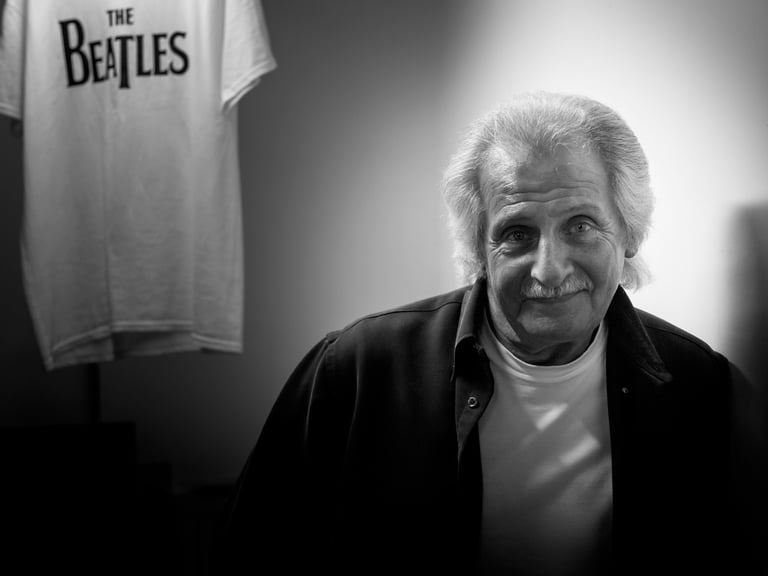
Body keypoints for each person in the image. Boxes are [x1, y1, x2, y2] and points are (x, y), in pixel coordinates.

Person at [216, 92, 765, 575]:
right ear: (478, 250)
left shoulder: (698, 386)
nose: (549, 269)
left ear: (628, 235)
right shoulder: (356, 369)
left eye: (581, 225)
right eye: (517, 233)